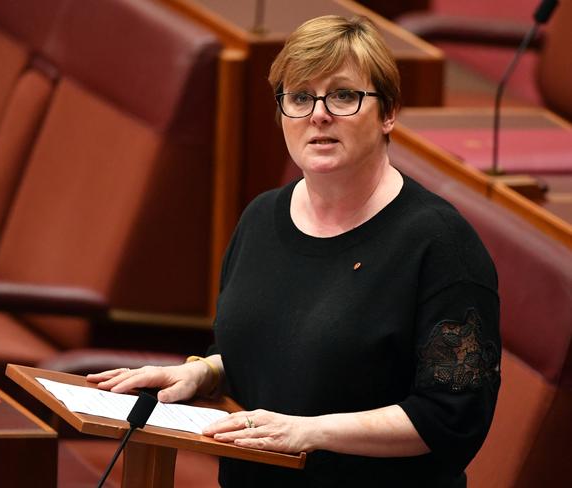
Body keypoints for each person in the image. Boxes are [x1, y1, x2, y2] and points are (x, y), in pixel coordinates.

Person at [87, 14, 500, 487]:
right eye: (300, 97)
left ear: (388, 113)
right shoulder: (262, 218)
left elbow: (451, 415)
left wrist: (309, 432)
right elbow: (273, 349)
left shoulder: (441, 245)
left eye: (343, 95)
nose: (319, 114)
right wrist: (205, 374)